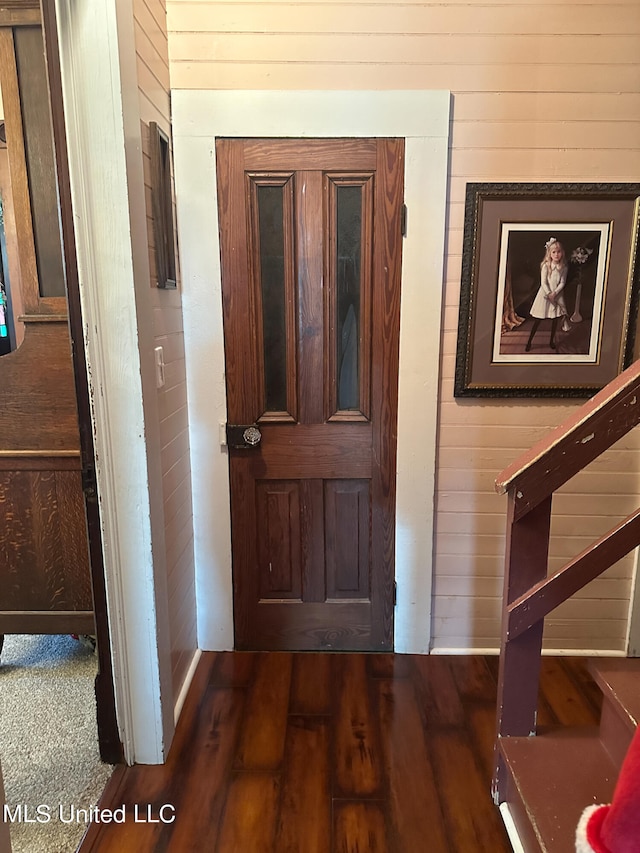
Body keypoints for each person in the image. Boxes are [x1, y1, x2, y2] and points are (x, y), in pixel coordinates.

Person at [525, 237, 571, 352]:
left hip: (556, 295)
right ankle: (529, 341)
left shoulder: (564, 267)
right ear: (549, 253)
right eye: (554, 252)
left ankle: (551, 341)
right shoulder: (546, 266)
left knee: (554, 319)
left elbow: (562, 282)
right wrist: (549, 293)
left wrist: (555, 293)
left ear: (562, 253)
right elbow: (543, 282)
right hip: (545, 295)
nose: (556, 255)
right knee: (538, 320)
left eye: (558, 252)